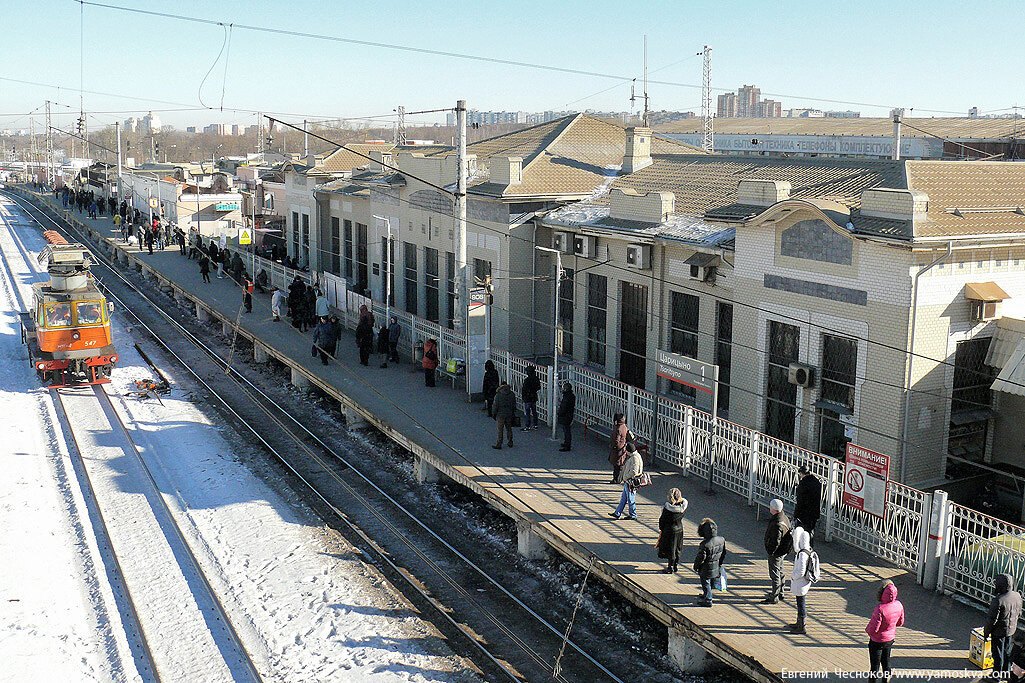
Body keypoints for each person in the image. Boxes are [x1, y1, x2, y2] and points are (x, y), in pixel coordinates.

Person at [866, 580, 905, 682]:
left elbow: (874, 628)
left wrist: (868, 631)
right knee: (886, 662)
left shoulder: (880, 609)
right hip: (889, 639)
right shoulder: (899, 605)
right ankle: (886, 680)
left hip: (877, 641)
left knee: (875, 666)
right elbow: (900, 623)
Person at [985, 573, 1023, 676]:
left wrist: (986, 633)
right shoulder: (1017, 595)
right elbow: (1019, 612)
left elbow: (991, 620)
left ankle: (996, 676)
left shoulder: (998, 600)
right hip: (1011, 630)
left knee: (997, 654)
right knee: (1007, 652)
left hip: (998, 632)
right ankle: (1006, 672)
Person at [762, 498, 793, 604]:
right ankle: (780, 592)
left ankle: (774, 596)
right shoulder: (784, 518)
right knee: (780, 571)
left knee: (775, 574)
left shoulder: (777, 523)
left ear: (772, 508)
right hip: (783, 551)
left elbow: (775, 541)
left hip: (777, 552)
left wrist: (771, 551)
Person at [692, 518, 726, 607]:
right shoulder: (721, 539)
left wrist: (696, 566)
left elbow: (701, 558)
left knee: (705, 583)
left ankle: (708, 599)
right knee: (710, 582)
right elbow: (723, 553)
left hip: (706, 568)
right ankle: (706, 595)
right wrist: (720, 564)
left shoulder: (705, 544)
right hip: (715, 565)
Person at [789, 526, 815, 634]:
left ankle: (802, 625)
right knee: (800, 602)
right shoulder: (808, 550)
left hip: (800, 582)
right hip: (803, 582)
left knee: (801, 603)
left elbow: (801, 571)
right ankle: (798, 622)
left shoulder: (803, 554)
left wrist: (793, 577)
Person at [656, 488, 688, 573]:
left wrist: (661, 528)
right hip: (679, 529)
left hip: (669, 530)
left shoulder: (667, 508)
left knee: (670, 549)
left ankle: (670, 567)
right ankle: (676, 566)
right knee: (677, 548)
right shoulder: (683, 506)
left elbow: (662, 520)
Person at [610, 443, 643, 520]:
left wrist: (625, 477)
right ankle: (617, 513)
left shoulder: (634, 458)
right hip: (628, 482)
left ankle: (633, 514)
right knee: (624, 498)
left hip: (631, 482)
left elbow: (634, 472)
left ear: (629, 451)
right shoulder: (635, 456)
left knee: (630, 499)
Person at [794, 465, 822, 546]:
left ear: (802, 474)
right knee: (811, 530)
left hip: (804, 513)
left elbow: (800, 501)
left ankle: (803, 547)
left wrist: (796, 515)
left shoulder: (803, 484)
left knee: (803, 531)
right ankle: (810, 546)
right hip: (814, 512)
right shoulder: (816, 481)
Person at [608, 413, 632, 485]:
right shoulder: (624, 426)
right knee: (620, 464)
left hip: (617, 450)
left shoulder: (618, 429)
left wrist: (613, 446)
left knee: (617, 465)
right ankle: (618, 478)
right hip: (622, 449)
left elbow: (616, 440)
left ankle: (617, 479)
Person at [492, 381, 515, 449]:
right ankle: (510, 441)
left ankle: (499, 443)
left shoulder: (498, 395)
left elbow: (495, 406)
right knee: (509, 428)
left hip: (500, 414)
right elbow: (514, 404)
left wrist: (494, 414)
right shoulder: (511, 394)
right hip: (509, 414)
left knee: (500, 429)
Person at [556, 382, 576, 451]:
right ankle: (566, 443)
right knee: (566, 430)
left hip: (566, 416)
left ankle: (567, 445)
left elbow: (564, 407)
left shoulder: (567, 397)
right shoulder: (571, 396)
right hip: (569, 415)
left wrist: (560, 413)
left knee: (566, 430)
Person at [520, 365, 541, 431]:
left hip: (527, 398)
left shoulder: (527, 380)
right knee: (534, 411)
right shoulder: (536, 379)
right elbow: (538, 387)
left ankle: (528, 425)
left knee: (528, 412)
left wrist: (524, 396)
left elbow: (524, 389)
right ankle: (535, 425)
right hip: (533, 397)